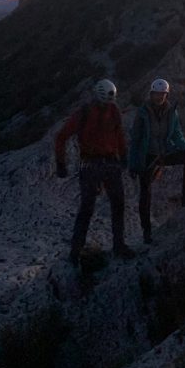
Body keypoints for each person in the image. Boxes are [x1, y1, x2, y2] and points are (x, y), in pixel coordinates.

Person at [55, 78, 135, 265]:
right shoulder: (87, 112)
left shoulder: (110, 111)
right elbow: (61, 136)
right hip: (95, 163)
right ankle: (79, 249)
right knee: (90, 207)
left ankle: (110, 245)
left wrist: (124, 156)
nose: (109, 103)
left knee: (115, 204)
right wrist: (60, 163)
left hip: (102, 162)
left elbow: (119, 134)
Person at [129, 78, 185, 242]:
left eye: (162, 94)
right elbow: (135, 139)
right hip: (148, 156)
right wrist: (133, 164)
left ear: (166, 95)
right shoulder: (143, 113)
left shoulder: (171, 112)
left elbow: (176, 134)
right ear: (151, 94)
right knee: (145, 192)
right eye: (157, 94)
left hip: (164, 154)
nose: (159, 97)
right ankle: (146, 231)